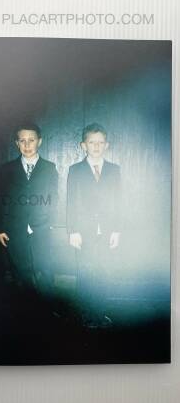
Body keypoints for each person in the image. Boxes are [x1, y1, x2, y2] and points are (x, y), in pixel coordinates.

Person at [66, 123, 121, 328]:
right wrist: (73, 231)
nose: (96, 146)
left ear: (106, 145)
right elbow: (71, 202)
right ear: (83, 145)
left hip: (107, 231)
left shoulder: (114, 170)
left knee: (104, 272)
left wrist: (117, 230)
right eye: (92, 142)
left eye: (100, 142)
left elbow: (119, 202)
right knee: (85, 274)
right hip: (83, 232)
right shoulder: (75, 170)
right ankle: (86, 315)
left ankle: (100, 313)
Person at [0, 124, 58, 298]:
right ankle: (25, 307)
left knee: (45, 270)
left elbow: (54, 197)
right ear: (17, 143)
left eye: (31, 140)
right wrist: (0, 228)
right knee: (21, 273)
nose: (27, 145)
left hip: (42, 228)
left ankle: (47, 307)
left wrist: (50, 223)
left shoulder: (49, 168)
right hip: (15, 229)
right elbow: (1, 200)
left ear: (40, 141)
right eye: (22, 141)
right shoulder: (7, 169)